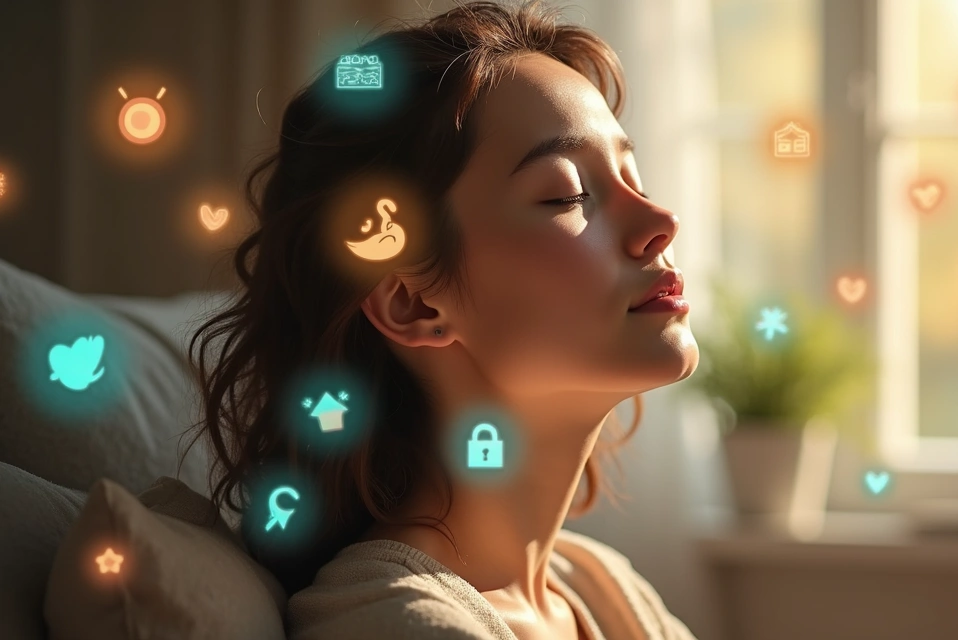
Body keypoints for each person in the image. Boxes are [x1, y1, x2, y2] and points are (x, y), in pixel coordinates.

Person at [188, 1, 700, 638]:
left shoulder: (598, 586)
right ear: (414, 302)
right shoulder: (394, 621)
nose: (662, 223)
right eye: (566, 193)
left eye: (633, 176)